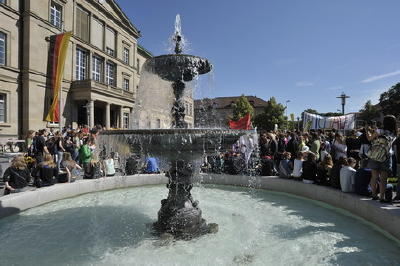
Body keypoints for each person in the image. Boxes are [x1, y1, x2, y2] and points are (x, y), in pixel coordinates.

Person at [367, 115, 397, 203]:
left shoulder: (379, 131)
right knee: (384, 178)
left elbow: (369, 139)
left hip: (375, 154)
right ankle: (382, 197)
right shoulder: (394, 133)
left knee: (374, 176)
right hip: (386, 156)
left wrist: (367, 130)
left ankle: (374, 194)